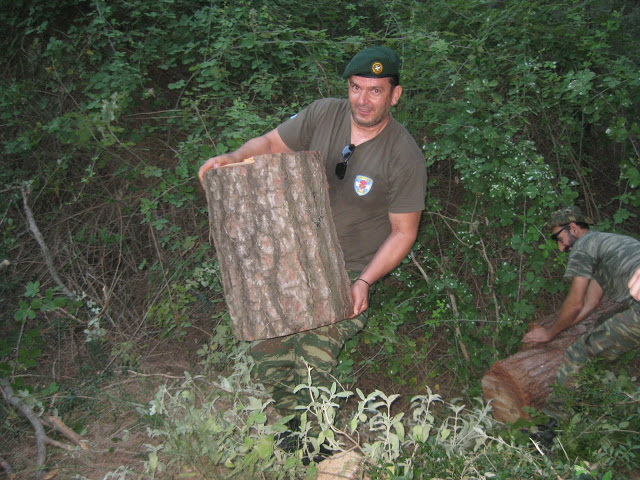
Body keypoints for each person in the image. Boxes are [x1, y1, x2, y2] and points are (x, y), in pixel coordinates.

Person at [199, 47, 427, 424]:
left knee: (312, 358)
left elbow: (403, 233)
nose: (363, 100)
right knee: (266, 347)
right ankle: (297, 430)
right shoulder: (324, 113)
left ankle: (316, 445)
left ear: (395, 95)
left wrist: (364, 281)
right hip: (294, 260)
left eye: (375, 91)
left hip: (346, 274)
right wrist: (234, 157)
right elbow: (271, 143)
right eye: (356, 88)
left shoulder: (404, 155)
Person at [522, 206, 640, 392]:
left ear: (574, 228)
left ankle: (555, 418)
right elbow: (590, 303)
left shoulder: (584, 245)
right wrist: (561, 330)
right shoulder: (605, 244)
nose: (561, 248)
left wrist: (549, 333)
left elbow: (575, 304)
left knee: (578, 354)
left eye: (559, 239)